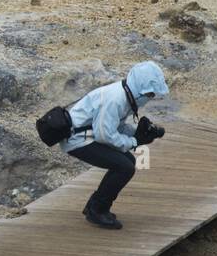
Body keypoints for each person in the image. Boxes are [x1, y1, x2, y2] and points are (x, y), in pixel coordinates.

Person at [61, 61, 170, 229]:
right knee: (124, 167)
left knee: (128, 162)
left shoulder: (124, 95)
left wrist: (135, 133)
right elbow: (104, 135)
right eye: (149, 94)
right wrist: (135, 141)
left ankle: (94, 205)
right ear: (140, 89)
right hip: (76, 139)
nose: (150, 98)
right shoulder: (116, 99)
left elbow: (114, 127)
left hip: (86, 135)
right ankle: (97, 211)